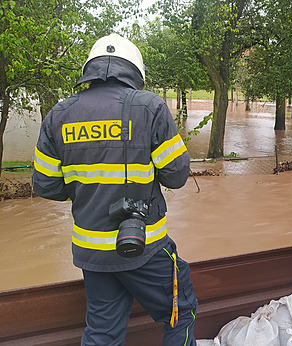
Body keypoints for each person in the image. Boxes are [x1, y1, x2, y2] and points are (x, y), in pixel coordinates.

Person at [32, 34, 197, 345]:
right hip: (143, 247)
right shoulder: (150, 108)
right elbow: (176, 175)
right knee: (181, 312)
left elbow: (45, 184)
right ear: (135, 72)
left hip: (91, 250)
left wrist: (86, 188)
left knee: (102, 333)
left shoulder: (58, 115)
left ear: (89, 71)